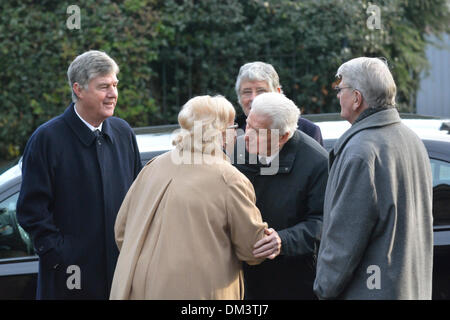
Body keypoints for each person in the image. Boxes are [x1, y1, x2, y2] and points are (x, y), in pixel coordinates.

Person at [110, 95, 268, 300]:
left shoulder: (153, 166)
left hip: (138, 289)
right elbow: (252, 249)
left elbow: (121, 232)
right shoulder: (229, 178)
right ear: (220, 133)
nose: (236, 133)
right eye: (233, 127)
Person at [16, 50, 142, 299]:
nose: (113, 94)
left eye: (115, 85)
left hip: (121, 279)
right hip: (68, 283)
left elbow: (139, 198)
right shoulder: (47, 139)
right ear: (79, 89)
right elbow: (31, 210)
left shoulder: (123, 132)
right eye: (103, 87)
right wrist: (60, 257)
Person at [313, 57, 433, 299]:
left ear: (357, 98)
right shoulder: (411, 139)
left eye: (341, 89)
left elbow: (344, 241)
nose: (337, 95)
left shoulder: (361, 152)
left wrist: (323, 288)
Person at [231, 92, 328, 299]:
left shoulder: (317, 162)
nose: (246, 135)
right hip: (242, 278)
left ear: (283, 136)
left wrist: (283, 240)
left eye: (258, 131)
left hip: (292, 280)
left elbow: (323, 222)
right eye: (248, 124)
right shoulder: (239, 149)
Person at [235, 61, 323, 145]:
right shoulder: (231, 133)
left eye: (261, 91)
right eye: (247, 92)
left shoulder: (308, 131)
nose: (253, 98)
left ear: (277, 93)